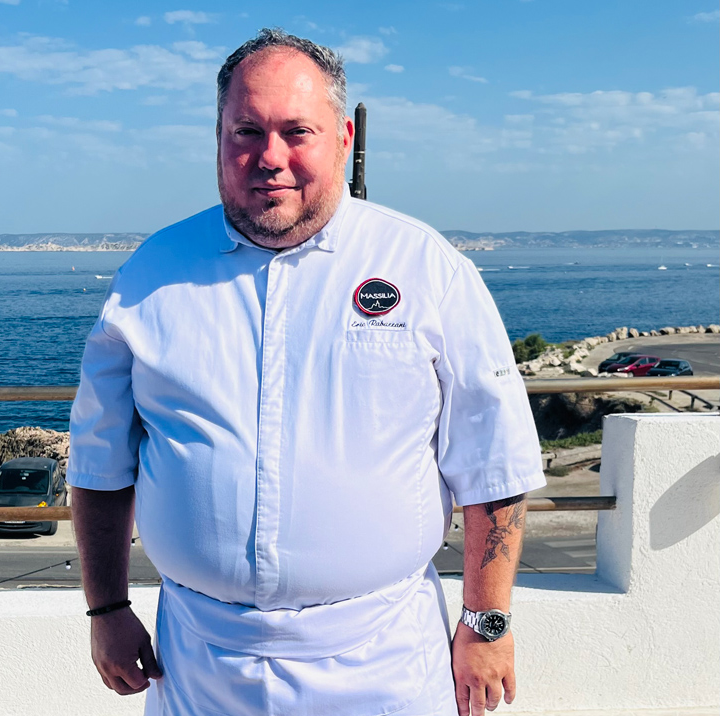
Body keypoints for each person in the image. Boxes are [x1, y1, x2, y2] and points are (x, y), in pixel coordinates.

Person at [67, 28, 545, 716]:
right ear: (218, 137)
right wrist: (106, 607)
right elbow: (100, 458)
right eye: (246, 131)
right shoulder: (153, 273)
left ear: (343, 138)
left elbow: (492, 461)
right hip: (202, 666)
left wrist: (487, 623)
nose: (270, 157)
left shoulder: (426, 268)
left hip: (381, 665)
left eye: (297, 131)